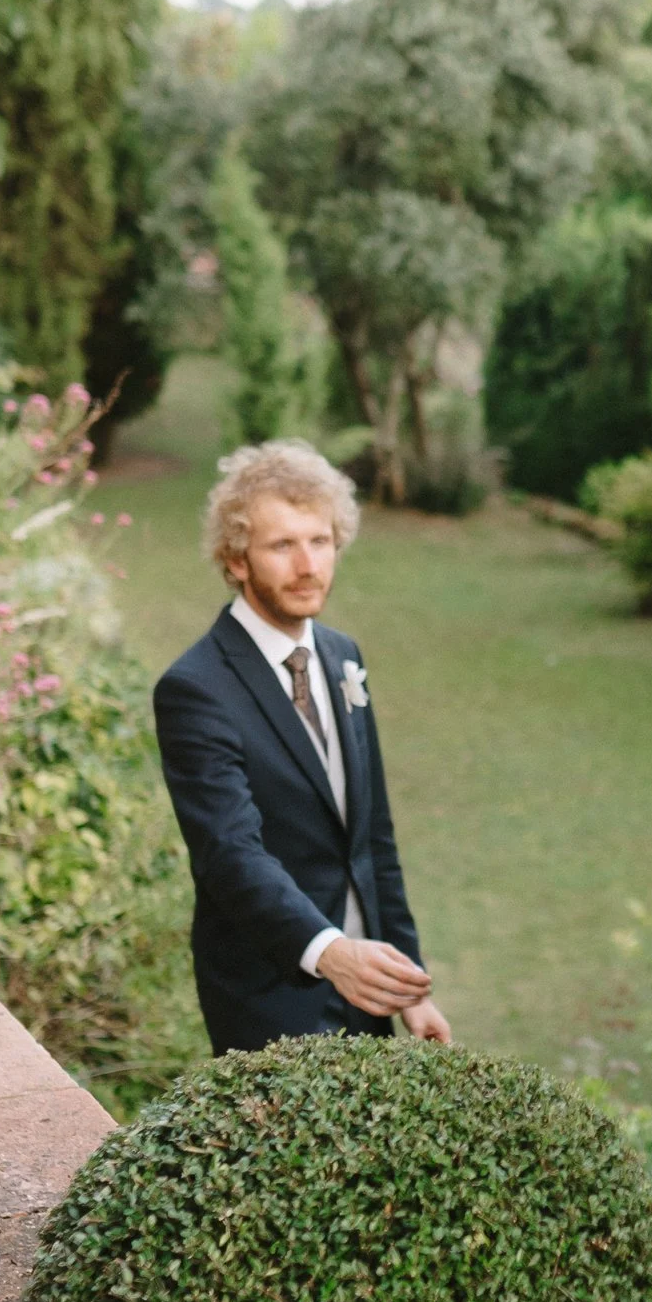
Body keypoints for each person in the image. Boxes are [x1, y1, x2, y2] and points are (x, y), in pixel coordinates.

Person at [154, 440, 450, 1057]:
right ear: (236, 559)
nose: (308, 565)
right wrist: (328, 951)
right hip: (268, 992)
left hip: (365, 985)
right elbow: (230, 855)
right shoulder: (195, 689)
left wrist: (408, 986)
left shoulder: (344, 657)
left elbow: (372, 838)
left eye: (320, 541)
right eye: (282, 546)